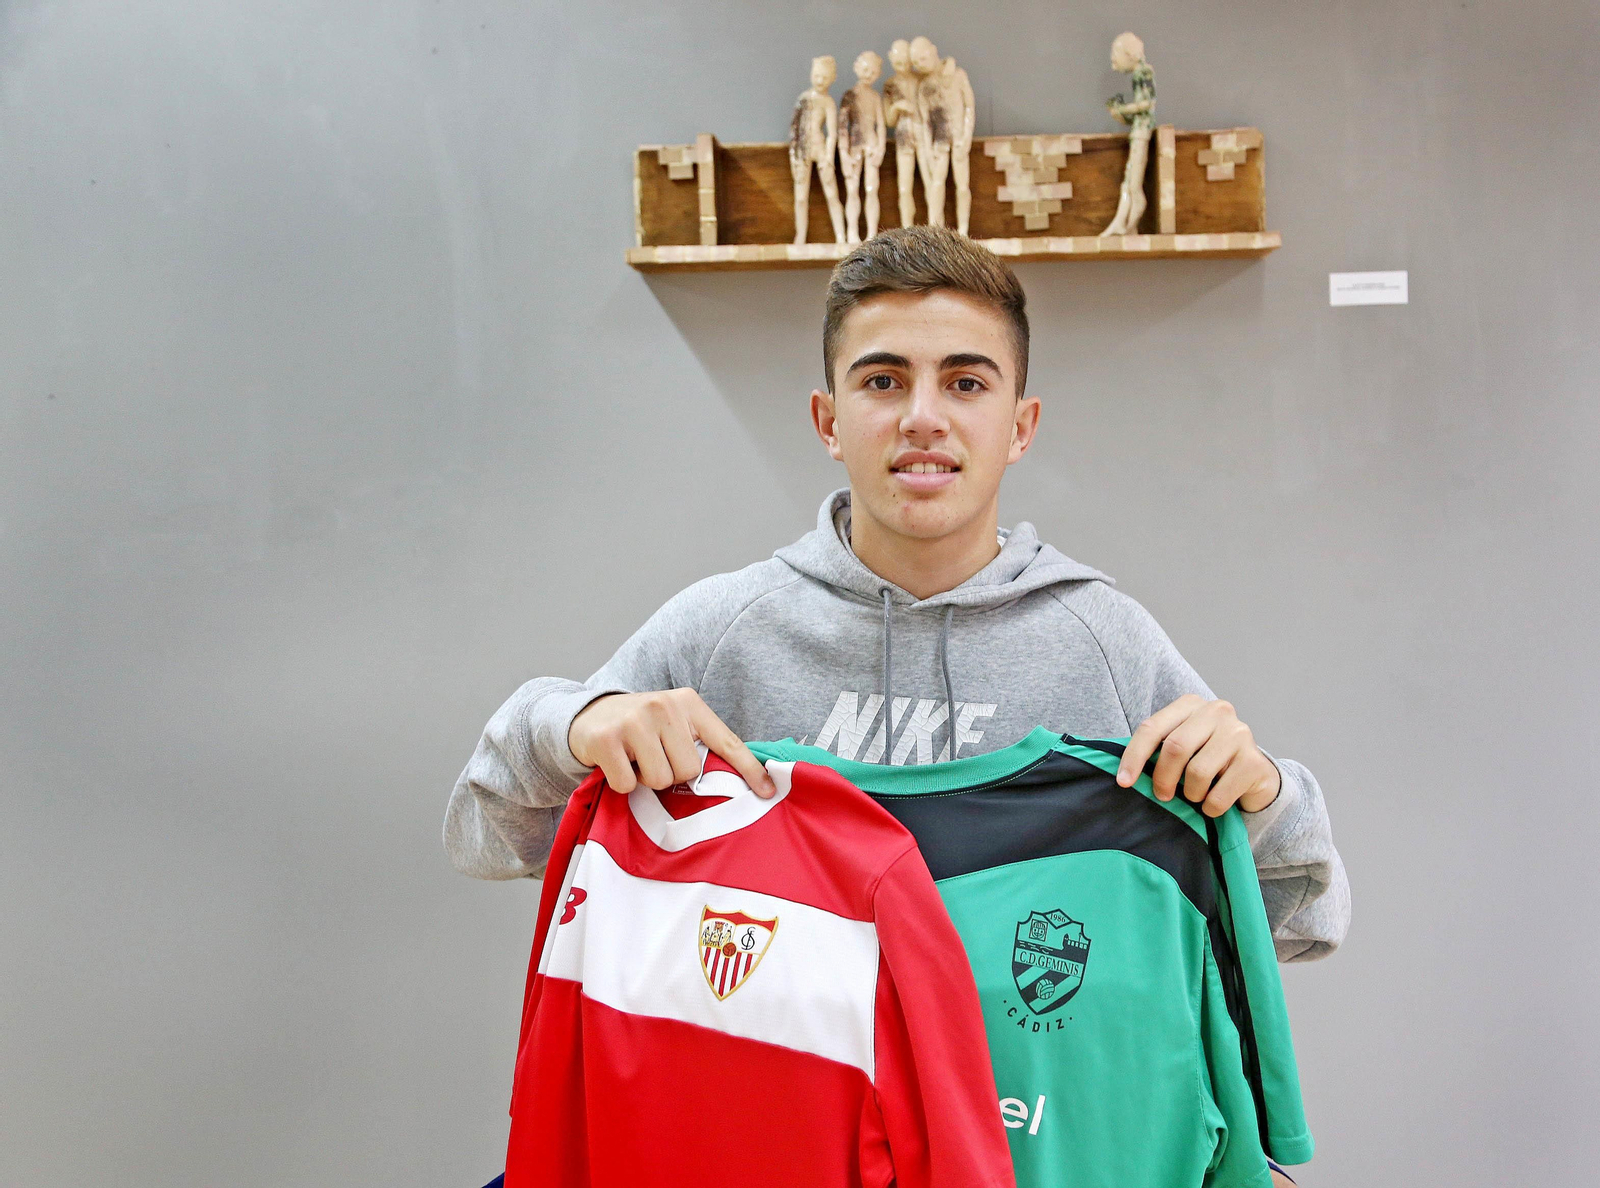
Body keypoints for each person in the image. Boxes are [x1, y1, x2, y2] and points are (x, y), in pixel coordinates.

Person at [447, 226, 1348, 1186]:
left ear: (1022, 423)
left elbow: (1300, 916)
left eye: (966, 383)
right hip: (775, 1137)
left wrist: (1261, 795)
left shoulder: (1107, 644)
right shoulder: (724, 632)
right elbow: (486, 829)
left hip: (1025, 1143)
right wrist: (573, 724)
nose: (924, 417)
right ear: (828, 418)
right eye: (882, 382)